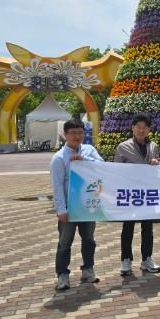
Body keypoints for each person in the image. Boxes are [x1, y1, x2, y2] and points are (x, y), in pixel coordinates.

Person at [50, 119, 104, 291]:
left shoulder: (89, 150)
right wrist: (61, 209)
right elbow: (57, 186)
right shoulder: (59, 158)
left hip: (87, 206)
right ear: (65, 135)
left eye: (80, 133)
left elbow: (103, 167)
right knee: (65, 242)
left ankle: (88, 270)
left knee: (89, 239)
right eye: (73, 133)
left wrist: (84, 161)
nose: (77, 136)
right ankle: (62, 275)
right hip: (69, 208)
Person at [114, 114, 160, 276]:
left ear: (149, 129)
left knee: (148, 228)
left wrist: (157, 163)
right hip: (131, 194)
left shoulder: (153, 146)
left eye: (145, 127)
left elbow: (159, 166)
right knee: (128, 227)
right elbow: (116, 170)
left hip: (148, 193)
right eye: (138, 127)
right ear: (132, 128)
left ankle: (147, 259)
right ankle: (126, 260)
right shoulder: (123, 147)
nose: (141, 130)